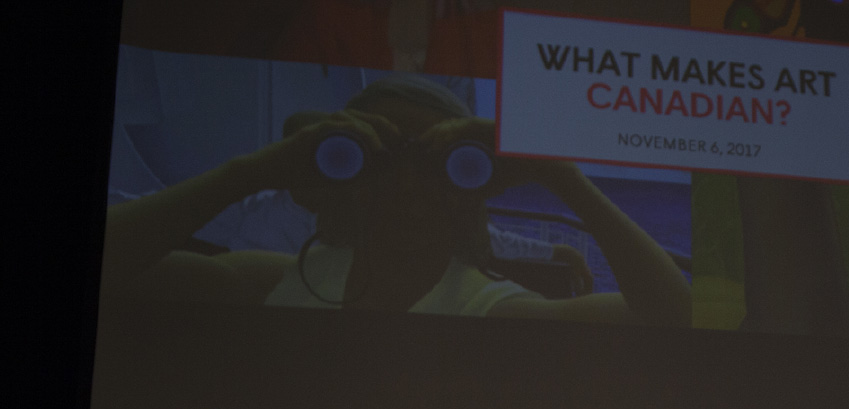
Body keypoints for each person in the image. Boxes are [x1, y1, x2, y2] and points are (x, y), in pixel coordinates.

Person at [102, 76, 689, 324]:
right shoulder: (276, 282)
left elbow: (671, 315)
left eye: (433, 161)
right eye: (381, 152)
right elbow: (104, 273)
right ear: (344, 171)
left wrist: (561, 176)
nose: (407, 180)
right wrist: (256, 171)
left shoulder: (492, 309)